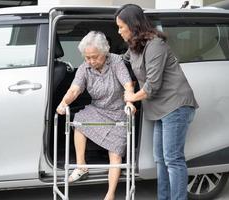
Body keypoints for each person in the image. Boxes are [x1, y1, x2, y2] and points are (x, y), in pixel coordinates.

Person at [115, 4, 199, 200]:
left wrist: (132, 97)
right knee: (160, 160)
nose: (118, 31)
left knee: (173, 159)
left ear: (132, 25)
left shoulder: (155, 45)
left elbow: (153, 84)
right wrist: (98, 58)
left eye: (121, 27)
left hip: (176, 105)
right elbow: (121, 61)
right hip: (160, 109)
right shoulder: (134, 47)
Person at [56, 31, 135, 200]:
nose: (91, 61)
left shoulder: (116, 61)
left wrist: (129, 102)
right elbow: (75, 89)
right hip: (98, 109)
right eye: (87, 57)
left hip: (118, 111)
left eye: (94, 57)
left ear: (105, 53)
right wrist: (64, 103)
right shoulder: (85, 68)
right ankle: (81, 166)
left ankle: (110, 194)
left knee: (115, 154)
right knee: (79, 120)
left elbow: (128, 85)